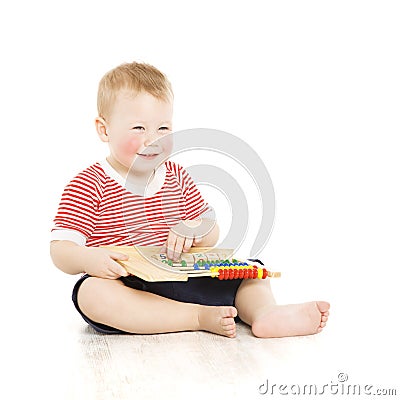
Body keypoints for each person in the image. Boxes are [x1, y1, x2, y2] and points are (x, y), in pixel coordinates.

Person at [50, 62, 330, 338]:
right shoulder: (89, 183)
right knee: (92, 293)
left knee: (250, 271)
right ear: (104, 129)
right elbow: (60, 249)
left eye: (163, 129)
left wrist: (195, 229)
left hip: (184, 276)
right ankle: (196, 316)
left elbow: (211, 229)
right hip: (131, 288)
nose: (153, 141)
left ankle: (265, 314)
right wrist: (87, 258)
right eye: (138, 128)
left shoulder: (176, 176)